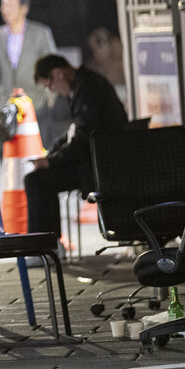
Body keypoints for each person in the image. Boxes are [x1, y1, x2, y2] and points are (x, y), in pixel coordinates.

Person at [25, 54, 128, 239]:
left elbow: (83, 138)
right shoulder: (84, 84)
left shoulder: (88, 89)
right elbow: (75, 130)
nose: (52, 90)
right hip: (96, 158)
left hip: (101, 164)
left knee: (36, 181)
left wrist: (51, 162)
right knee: (38, 178)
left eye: (50, 85)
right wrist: (51, 156)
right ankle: (48, 243)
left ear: (58, 73)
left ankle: (44, 245)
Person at [0, 0, 64, 147]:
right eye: (3, 5)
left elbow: (53, 65)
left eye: (10, 6)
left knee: (40, 149)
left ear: (24, 8)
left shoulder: (40, 33)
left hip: (36, 102)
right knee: (8, 155)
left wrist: (50, 97)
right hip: (6, 106)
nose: (5, 10)